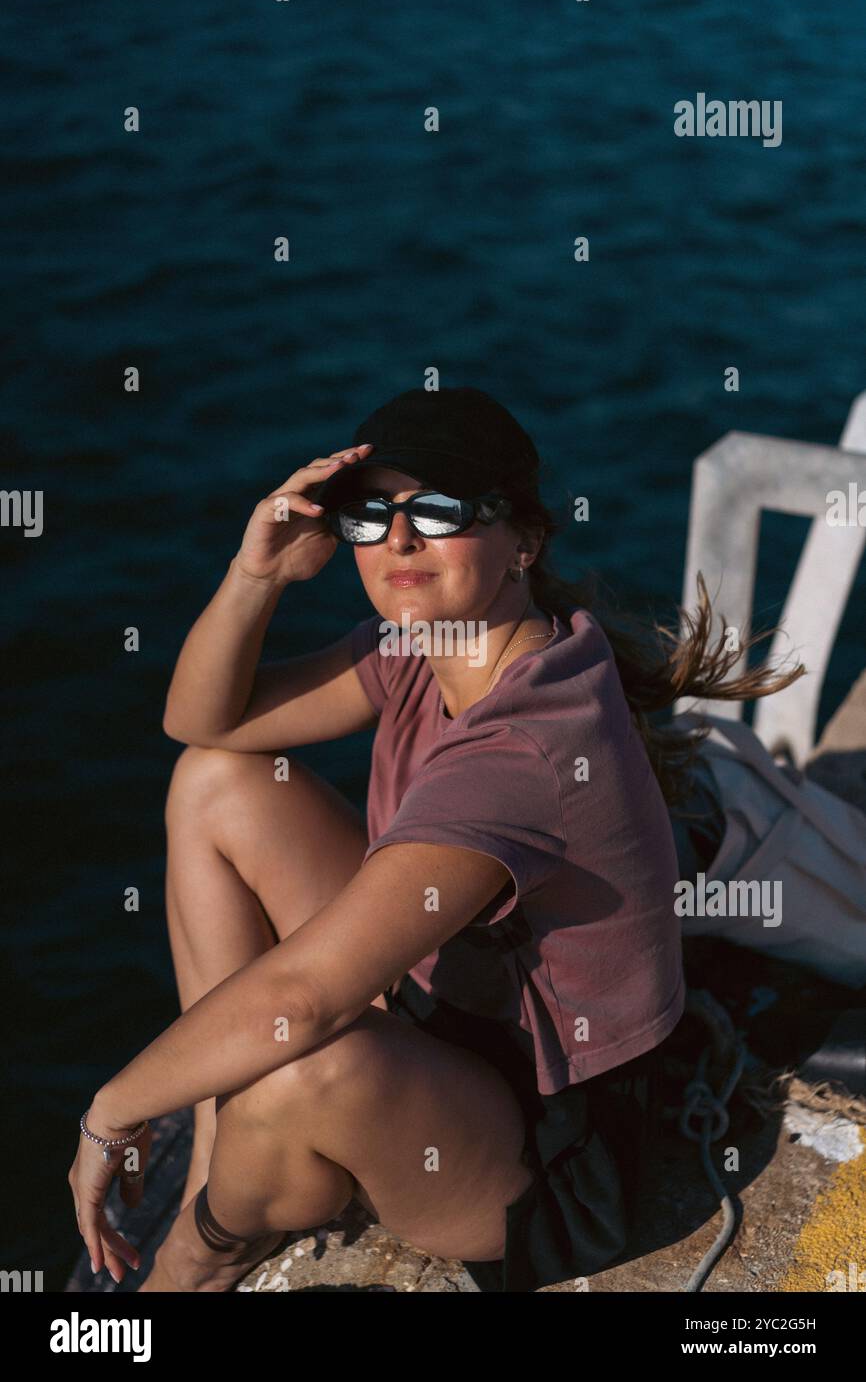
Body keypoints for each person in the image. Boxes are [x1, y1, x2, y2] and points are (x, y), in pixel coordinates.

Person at [67, 386, 804, 1293]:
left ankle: (203, 1255)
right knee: (218, 785)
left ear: (523, 541)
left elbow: (305, 996)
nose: (400, 540)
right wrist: (255, 576)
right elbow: (202, 722)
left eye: (440, 512)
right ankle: (230, 1160)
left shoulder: (531, 740)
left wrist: (113, 1111)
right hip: (454, 1022)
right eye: (372, 517)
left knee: (300, 1062)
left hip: (551, 1145)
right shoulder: (431, 643)